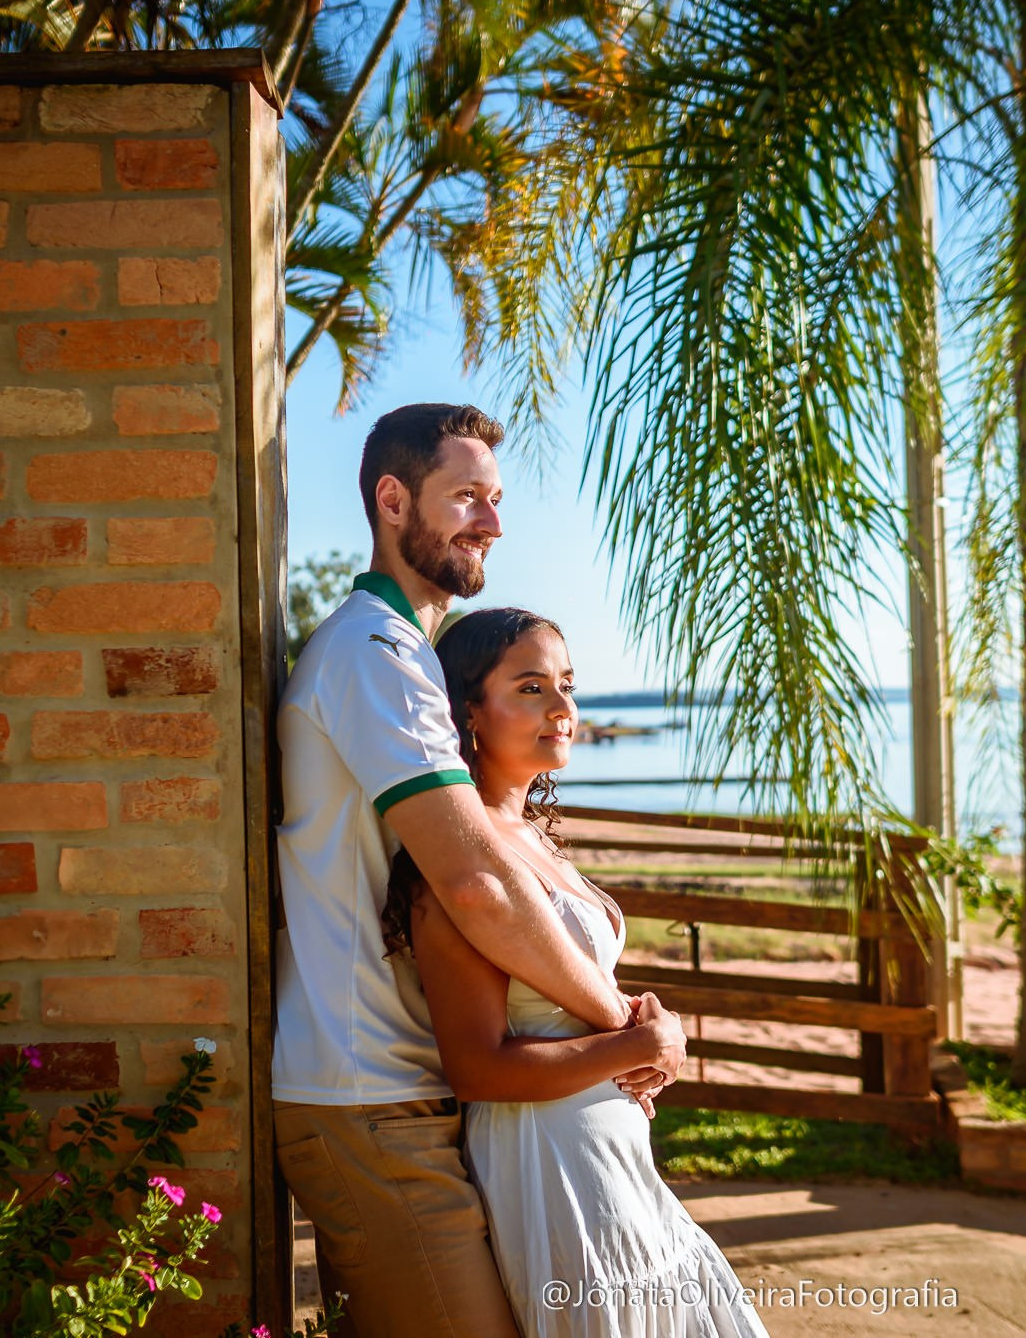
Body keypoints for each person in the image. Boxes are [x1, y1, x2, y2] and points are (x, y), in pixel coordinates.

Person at [271, 403, 686, 1338]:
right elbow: (475, 885)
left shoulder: (405, 658)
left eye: (496, 499)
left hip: (406, 1088)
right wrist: (625, 1026)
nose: (492, 523)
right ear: (391, 500)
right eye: (466, 497)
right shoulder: (373, 654)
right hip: (366, 1089)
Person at [392, 607, 769, 1338]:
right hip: (551, 1160)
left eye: (567, 685)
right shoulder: (460, 856)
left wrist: (647, 1025)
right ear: (468, 712)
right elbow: (477, 1067)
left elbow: (571, 993)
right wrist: (635, 1046)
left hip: (615, 1156)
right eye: (531, 688)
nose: (562, 708)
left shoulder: (532, 837)